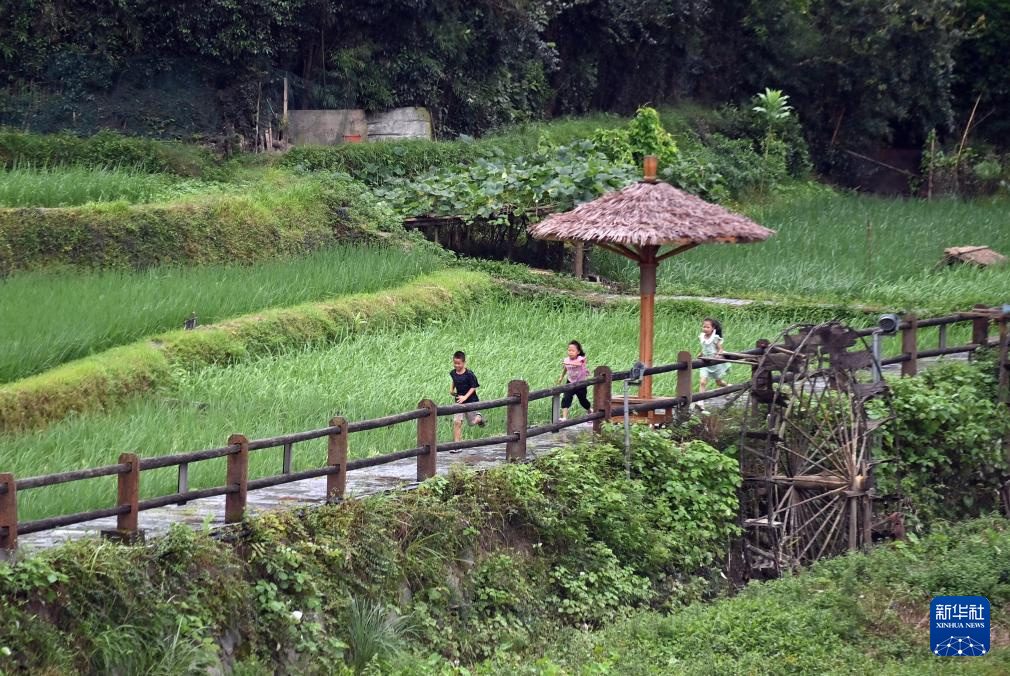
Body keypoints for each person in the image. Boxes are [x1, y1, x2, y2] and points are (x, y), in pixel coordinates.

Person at [450, 350, 484, 446]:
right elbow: (454, 380)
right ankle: (457, 445)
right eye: (455, 363)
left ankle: (479, 418)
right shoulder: (453, 373)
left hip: (470, 400)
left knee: (472, 422)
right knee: (457, 422)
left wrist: (465, 397)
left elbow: (473, 387)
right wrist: (451, 390)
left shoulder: (469, 374)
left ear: (464, 362)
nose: (456, 365)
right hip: (458, 400)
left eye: (459, 363)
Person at [557, 340, 591, 420]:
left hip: (581, 383)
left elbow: (579, 364)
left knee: (583, 401)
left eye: (573, 351)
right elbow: (565, 368)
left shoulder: (581, 359)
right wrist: (561, 377)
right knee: (566, 398)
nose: (570, 352)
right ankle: (564, 417)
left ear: (578, 352)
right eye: (569, 350)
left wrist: (570, 363)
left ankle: (590, 411)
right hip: (570, 382)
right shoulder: (566, 360)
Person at [698, 318, 729, 394]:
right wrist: (701, 353)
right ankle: (700, 401)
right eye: (704, 326)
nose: (705, 329)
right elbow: (705, 347)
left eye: (708, 327)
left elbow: (720, 349)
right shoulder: (702, 337)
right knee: (702, 382)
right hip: (705, 362)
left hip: (714, 363)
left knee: (719, 382)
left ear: (713, 328)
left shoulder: (715, 338)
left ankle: (728, 387)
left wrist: (718, 355)